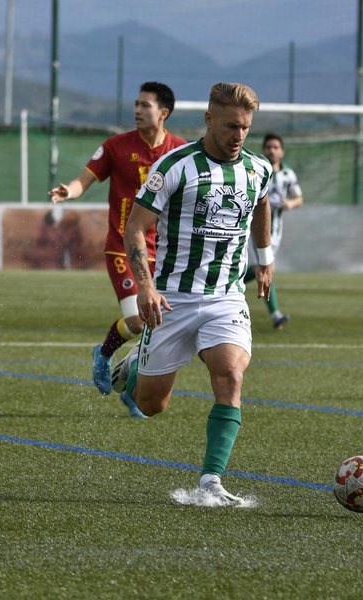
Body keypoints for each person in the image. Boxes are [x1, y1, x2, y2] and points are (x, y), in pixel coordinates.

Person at [115, 82, 274, 506]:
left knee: (231, 375)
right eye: (230, 126)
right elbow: (135, 228)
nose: (239, 135)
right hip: (172, 299)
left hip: (226, 297)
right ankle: (133, 368)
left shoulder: (258, 169)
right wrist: (145, 286)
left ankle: (211, 482)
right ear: (208, 120)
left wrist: (265, 258)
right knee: (152, 404)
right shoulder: (175, 166)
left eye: (245, 127)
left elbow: (262, 204)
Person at [48, 82, 186, 396]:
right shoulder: (116, 146)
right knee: (138, 321)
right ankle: (105, 352)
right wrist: (70, 191)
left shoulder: (179, 151)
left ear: (163, 113)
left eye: (145, 105)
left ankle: (132, 388)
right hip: (123, 247)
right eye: (136, 104)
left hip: (163, 251)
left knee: (160, 325)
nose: (137, 110)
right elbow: (83, 181)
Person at [244, 133, 302, 329]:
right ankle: (276, 315)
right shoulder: (256, 170)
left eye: (276, 147)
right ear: (263, 150)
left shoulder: (288, 175)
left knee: (262, 268)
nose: (272, 150)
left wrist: (290, 204)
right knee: (266, 267)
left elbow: (299, 198)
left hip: (276, 231)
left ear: (282, 151)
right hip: (257, 229)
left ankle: (229, 283)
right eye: (268, 147)